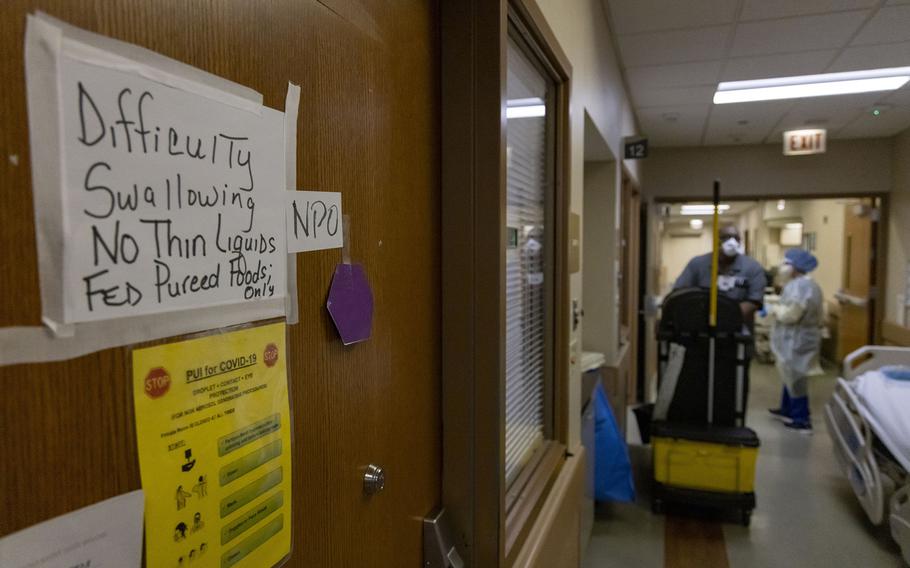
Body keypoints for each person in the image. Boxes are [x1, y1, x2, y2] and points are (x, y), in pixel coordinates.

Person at [768, 248, 823, 433]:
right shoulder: (800, 284)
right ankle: (787, 409)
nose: (783, 267)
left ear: (796, 267)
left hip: (798, 339)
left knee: (796, 377)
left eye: (787, 263)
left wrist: (773, 310)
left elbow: (792, 314)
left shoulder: (802, 286)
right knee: (789, 374)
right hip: (795, 337)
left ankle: (801, 419)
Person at [673, 224, 766, 323]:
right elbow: (680, 292)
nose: (732, 242)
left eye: (736, 238)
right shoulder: (698, 264)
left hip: (737, 329)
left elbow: (754, 300)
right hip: (700, 326)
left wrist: (727, 317)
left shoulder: (752, 267)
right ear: (716, 241)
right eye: (726, 237)